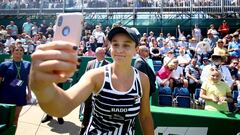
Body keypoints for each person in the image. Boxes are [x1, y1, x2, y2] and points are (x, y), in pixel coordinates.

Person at [29, 26, 154, 134]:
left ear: (136, 49)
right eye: (115, 44)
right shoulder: (95, 76)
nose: (120, 50)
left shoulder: (143, 80)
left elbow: (145, 117)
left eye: (126, 45)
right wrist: (42, 87)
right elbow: (63, 105)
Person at [79, 47, 110, 135]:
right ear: (95, 54)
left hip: (100, 95)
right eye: (100, 53)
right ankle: (83, 129)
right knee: (86, 113)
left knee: (98, 115)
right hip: (89, 94)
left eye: (103, 53)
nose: (102, 55)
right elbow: (85, 77)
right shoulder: (90, 63)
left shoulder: (108, 65)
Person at [0, 45, 32, 127]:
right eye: (17, 50)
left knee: (16, 117)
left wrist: (29, 93)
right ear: (12, 52)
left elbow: (28, 80)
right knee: (3, 118)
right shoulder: (4, 64)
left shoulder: (27, 64)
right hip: (6, 94)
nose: (19, 51)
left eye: (21, 50)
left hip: (20, 95)